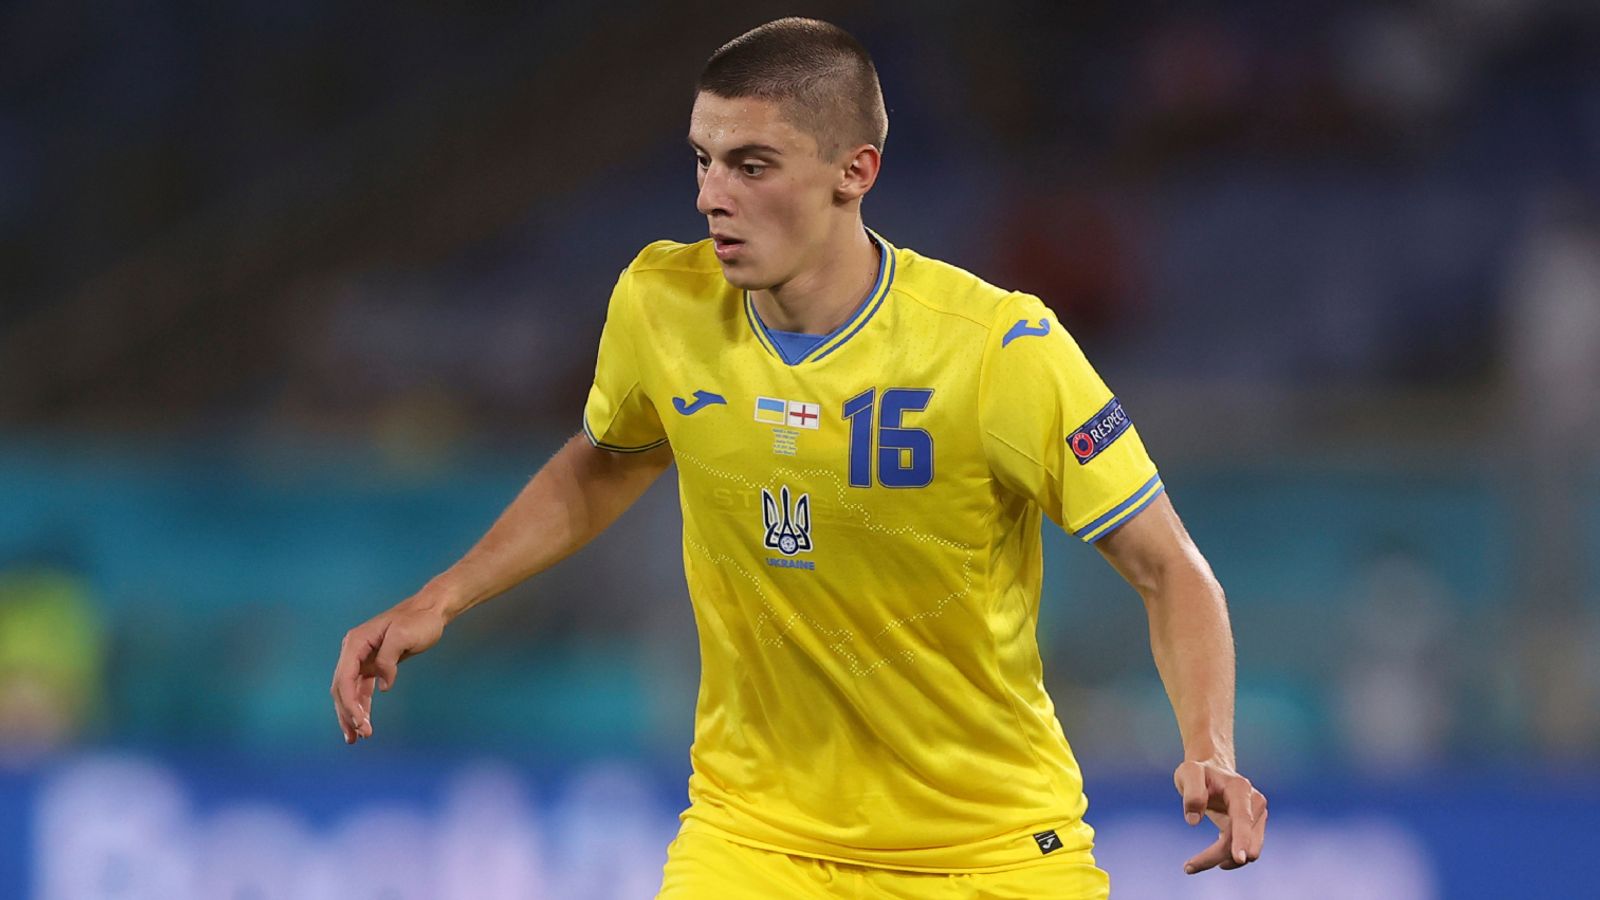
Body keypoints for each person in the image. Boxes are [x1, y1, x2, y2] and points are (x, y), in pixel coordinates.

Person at [330, 17, 1266, 898]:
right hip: (752, 841)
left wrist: (1211, 749)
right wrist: (442, 596)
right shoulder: (661, 304)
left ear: (855, 171)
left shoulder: (998, 350)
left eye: (752, 165)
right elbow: (607, 459)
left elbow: (1170, 568)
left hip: (987, 850)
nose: (712, 196)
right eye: (702, 160)